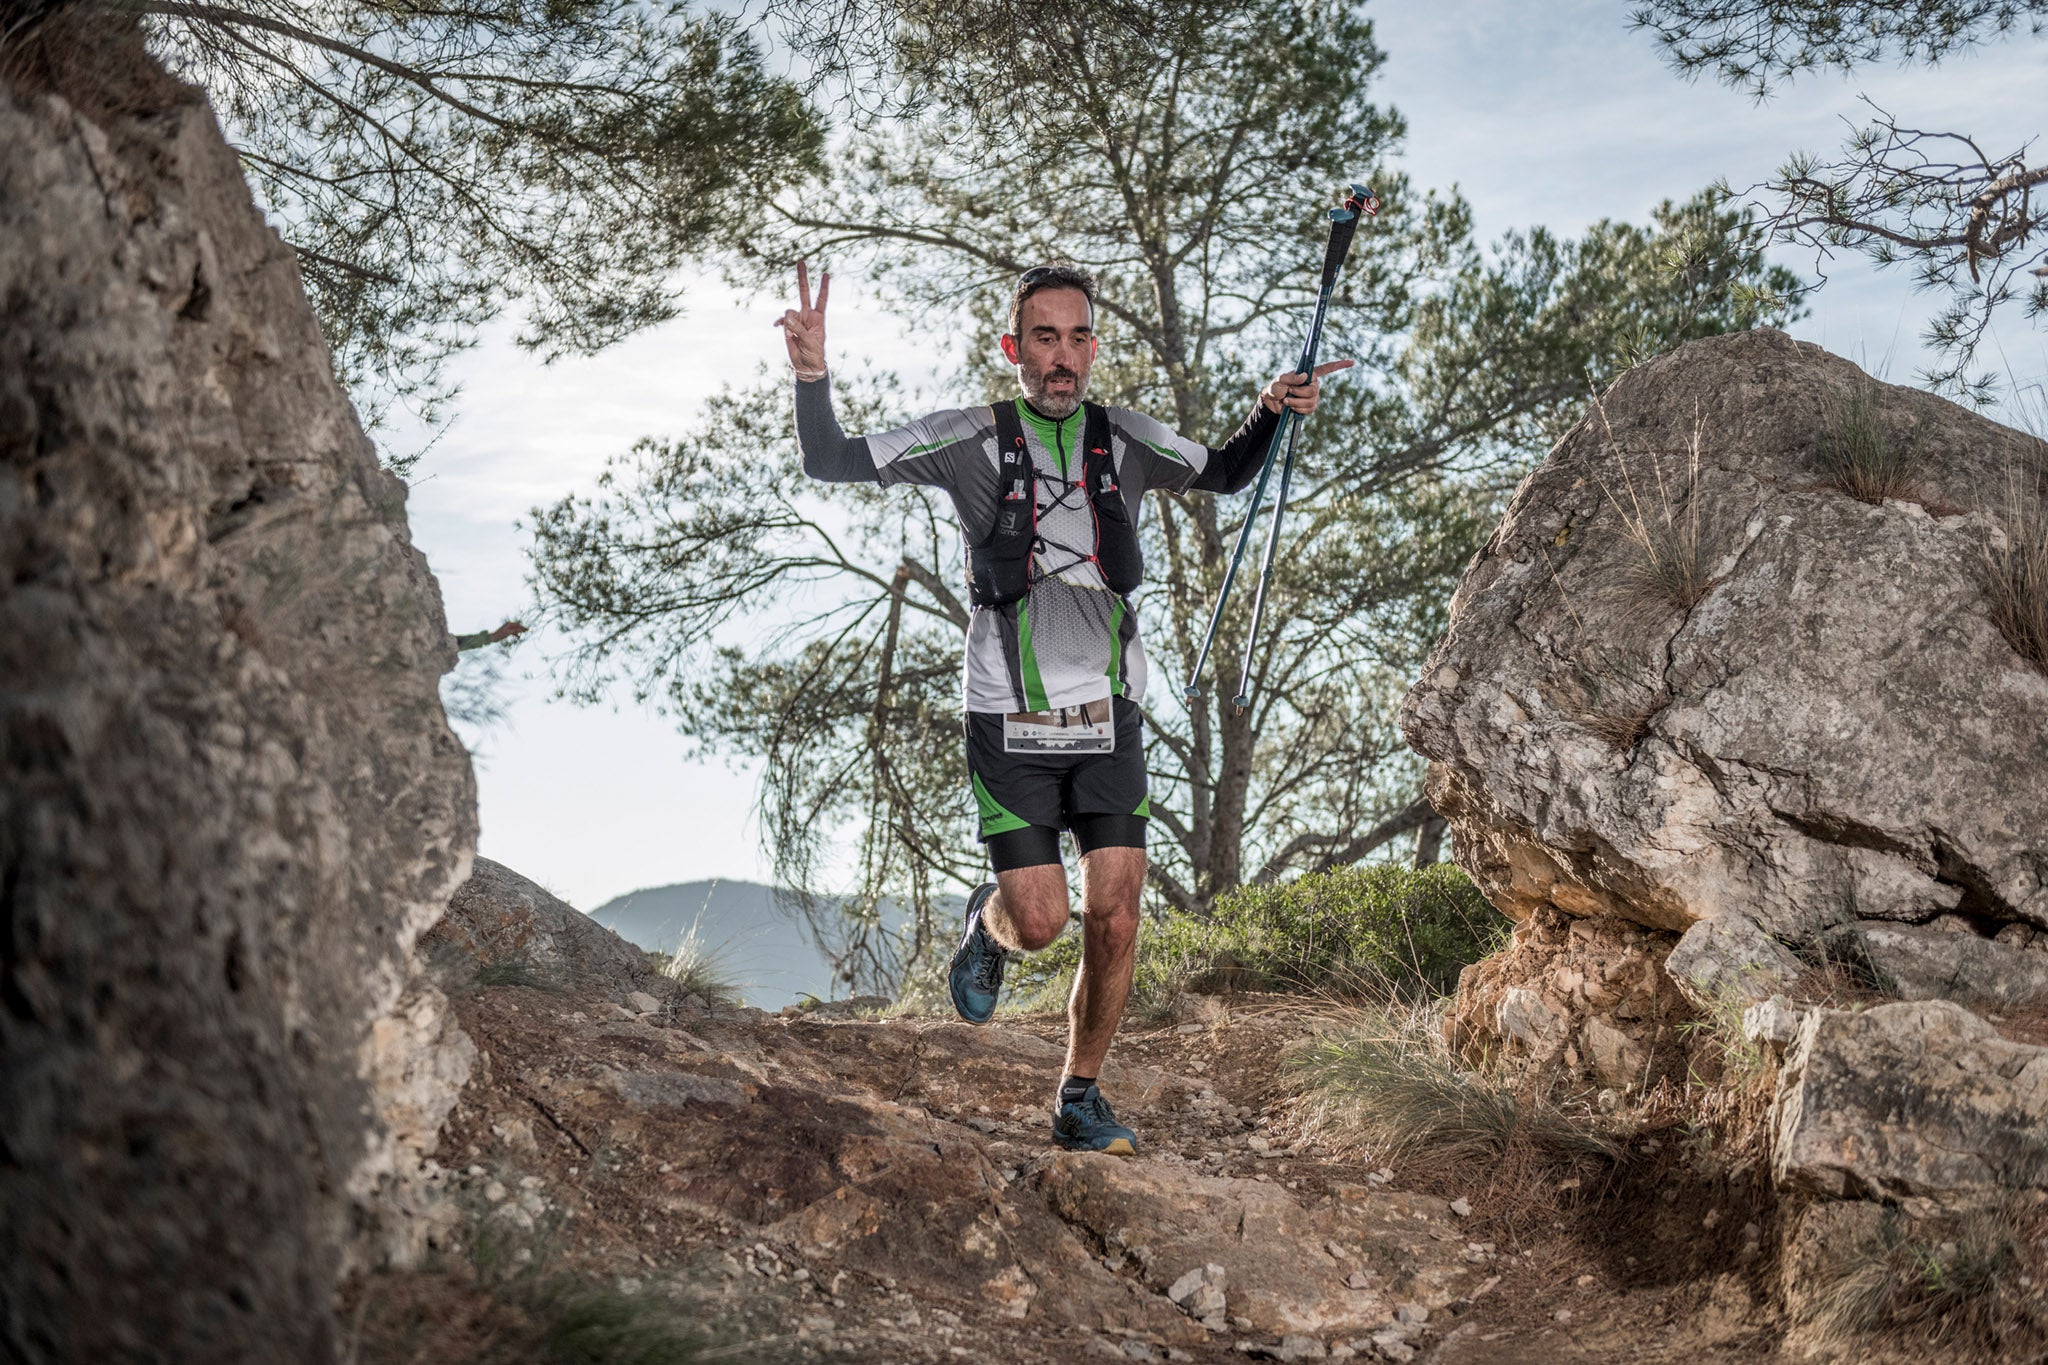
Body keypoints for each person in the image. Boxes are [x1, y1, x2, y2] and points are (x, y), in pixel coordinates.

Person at [780, 261, 1347, 1155]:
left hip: (1109, 714)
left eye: (1078, 337)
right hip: (1008, 716)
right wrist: (813, 375)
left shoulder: (1127, 438)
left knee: (1116, 911)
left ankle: (1078, 1095)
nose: (1063, 357)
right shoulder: (968, 438)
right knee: (1041, 921)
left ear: (1092, 346)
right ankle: (991, 923)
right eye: (1044, 338)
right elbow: (831, 457)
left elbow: (1232, 471)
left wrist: (1275, 405)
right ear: (1013, 349)